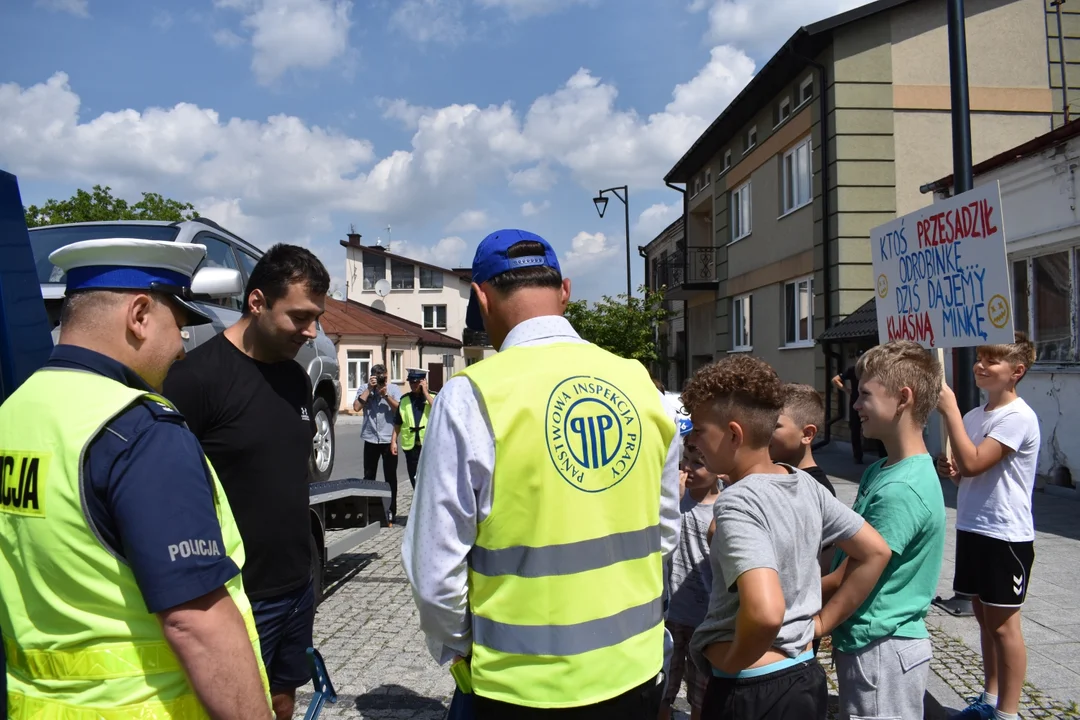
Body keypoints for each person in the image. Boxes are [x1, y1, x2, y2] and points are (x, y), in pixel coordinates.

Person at [402, 229, 683, 718]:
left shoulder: (473, 396)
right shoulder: (640, 385)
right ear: (566, 291)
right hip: (633, 673)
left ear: (480, 296)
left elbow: (434, 574)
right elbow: (664, 535)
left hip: (519, 686)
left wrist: (460, 651)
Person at [0, 239, 271, 718]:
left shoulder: (15, 412)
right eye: (180, 327)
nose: (183, 350)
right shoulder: (138, 429)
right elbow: (196, 620)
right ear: (140, 314)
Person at [164, 243, 329, 720]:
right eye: (300, 316)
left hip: (297, 584)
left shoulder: (296, 379)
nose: (311, 330)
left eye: (316, 316)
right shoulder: (194, 382)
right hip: (234, 596)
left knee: (281, 700)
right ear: (257, 303)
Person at [684, 355, 892, 720]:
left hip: (751, 688)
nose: (692, 439)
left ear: (734, 434)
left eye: (699, 429)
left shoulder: (737, 502)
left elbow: (765, 613)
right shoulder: (803, 484)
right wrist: (822, 623)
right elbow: (875, 552)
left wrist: (732, 664)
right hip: (805, 675)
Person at [827, 341, 947, 720]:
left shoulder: (902, 489)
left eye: (865, 395)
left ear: (903, 398)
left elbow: (858, 568)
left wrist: (815, 619)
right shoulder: (881, 471)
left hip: (881, 648)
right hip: (871, 642)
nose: (856, 405)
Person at [937, 333, 1040, 720]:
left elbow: (978, 462)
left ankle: (1008, 714)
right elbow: (967, 472)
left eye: (991, 361)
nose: (981, 366)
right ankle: (990, 698)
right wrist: (951, 471)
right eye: (979, 358)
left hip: (1005, 535)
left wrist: (948, 411)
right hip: (973, 527)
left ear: (1016, 372)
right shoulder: (975, 416)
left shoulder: (1018, 417)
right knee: (983, 619)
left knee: (1004, 627)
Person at [661, 439, 720, 720]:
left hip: (705, 618)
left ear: (719, 469)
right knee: (664, 686)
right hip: (671, 614)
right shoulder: (677, 501)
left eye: (698, 462)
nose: (688, 468)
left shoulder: (723, 509)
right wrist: (674, 497)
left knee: (702, 692)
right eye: (685, 460)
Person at [353, 363, 402, 523]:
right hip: (371, 438)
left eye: (384, 378)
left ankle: (391, 511)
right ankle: (368, 511)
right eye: (378, 378)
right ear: (372, 376)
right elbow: (356, 407)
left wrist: (386, 395)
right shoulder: (364, 389)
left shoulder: (393, 389)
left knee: (390, 478)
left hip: (389, 439)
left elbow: (400, 410)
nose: (382, 381)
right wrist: (369, 389)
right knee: (369, 476)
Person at [770, 383, 835, 497]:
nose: (763, 431)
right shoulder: (769, 473)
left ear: (807, 434)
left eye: (774, 426)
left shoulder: (818, 490)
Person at [392, 368, 435, 490]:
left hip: (428, 445)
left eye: (416, 382)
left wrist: (426, 393)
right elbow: (397, 422)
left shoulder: (432, 397)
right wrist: (393, 441)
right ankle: (418, 505)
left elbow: (439, 409)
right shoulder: (405, 400)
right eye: (411, 382)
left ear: (423, 382)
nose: (413, 385)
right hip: (411, 447)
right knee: (414, 479)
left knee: (429, 479)